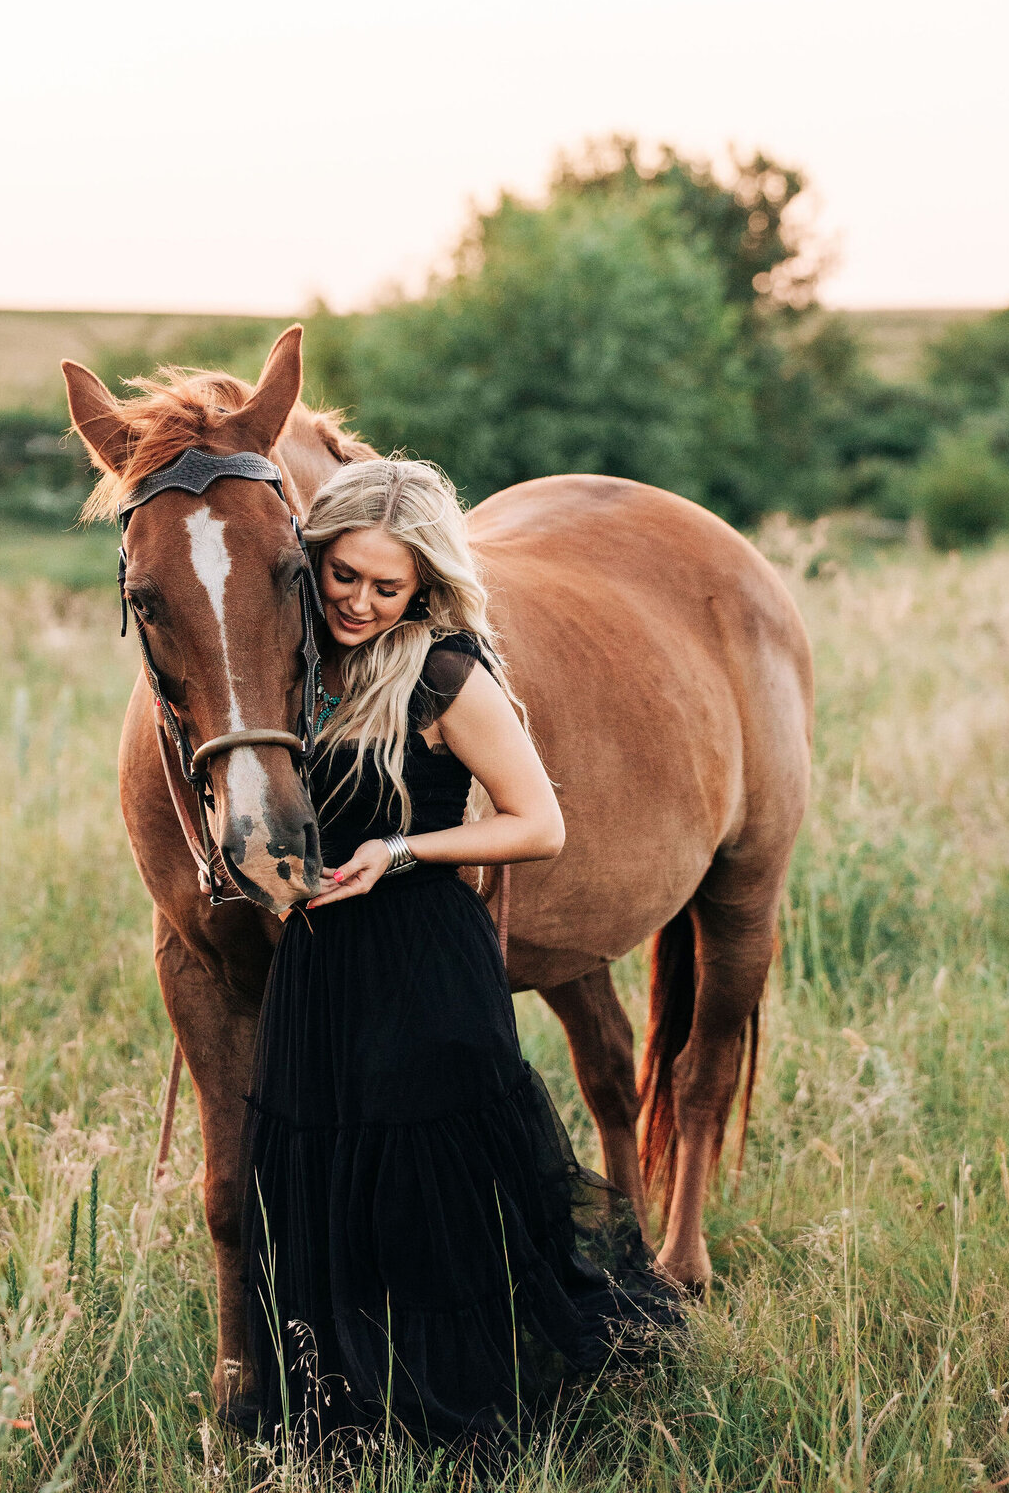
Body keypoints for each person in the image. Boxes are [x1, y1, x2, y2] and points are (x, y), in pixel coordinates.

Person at [239, 456, 683, 1463]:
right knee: (319, 1164)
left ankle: (458, 1406)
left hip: (420, 954)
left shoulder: (446, 673)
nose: (357, 602)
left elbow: (539, 825)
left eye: (384, 585)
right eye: (341, 575)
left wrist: (400, 851)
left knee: (425, 1175)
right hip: (318, 963)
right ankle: (334, 1397)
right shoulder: (295, 660)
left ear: (425, 583)